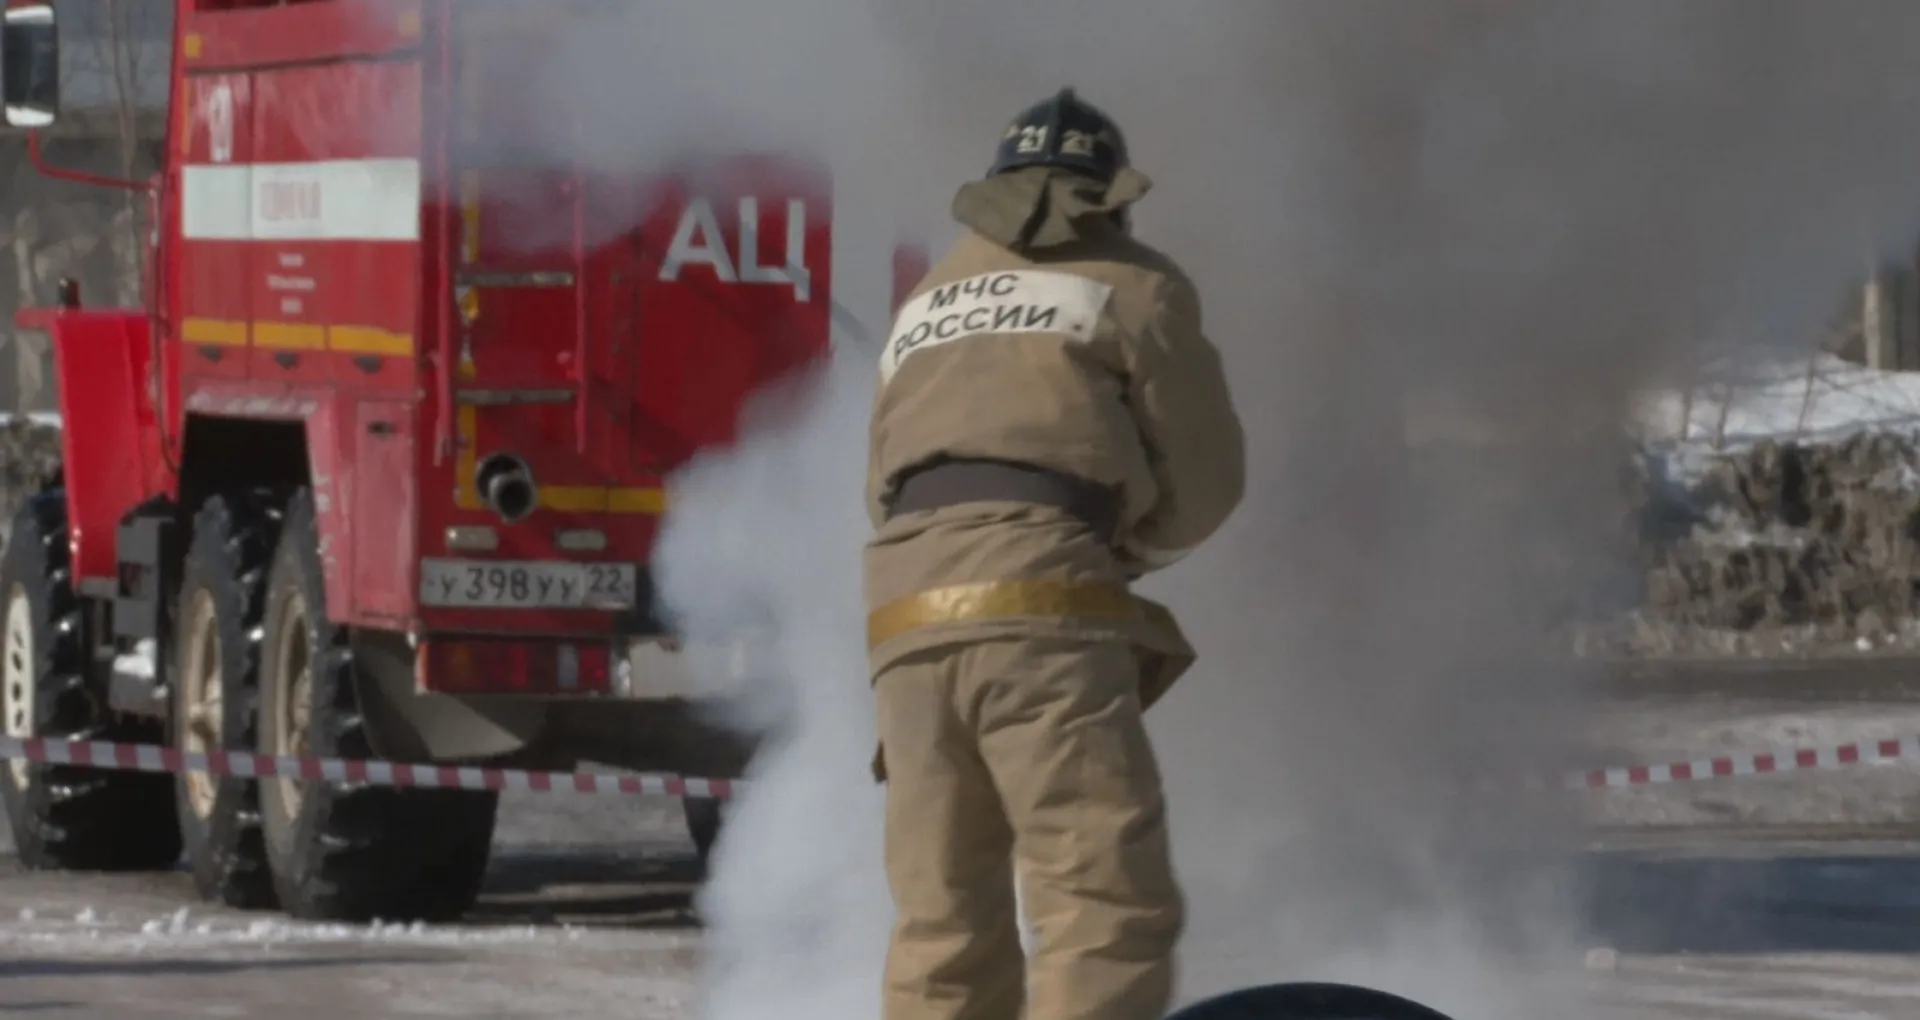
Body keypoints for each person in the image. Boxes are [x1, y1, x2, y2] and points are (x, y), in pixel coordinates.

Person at [863, 87, 1247, 1020]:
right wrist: (1116, 549)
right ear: (1109, 195)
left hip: (902, 620)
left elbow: (882, 478)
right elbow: (1206, 479)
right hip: (1042, 604)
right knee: (1100, 904)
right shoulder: (1136, 282)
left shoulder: (930, 297)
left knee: (941, 925)